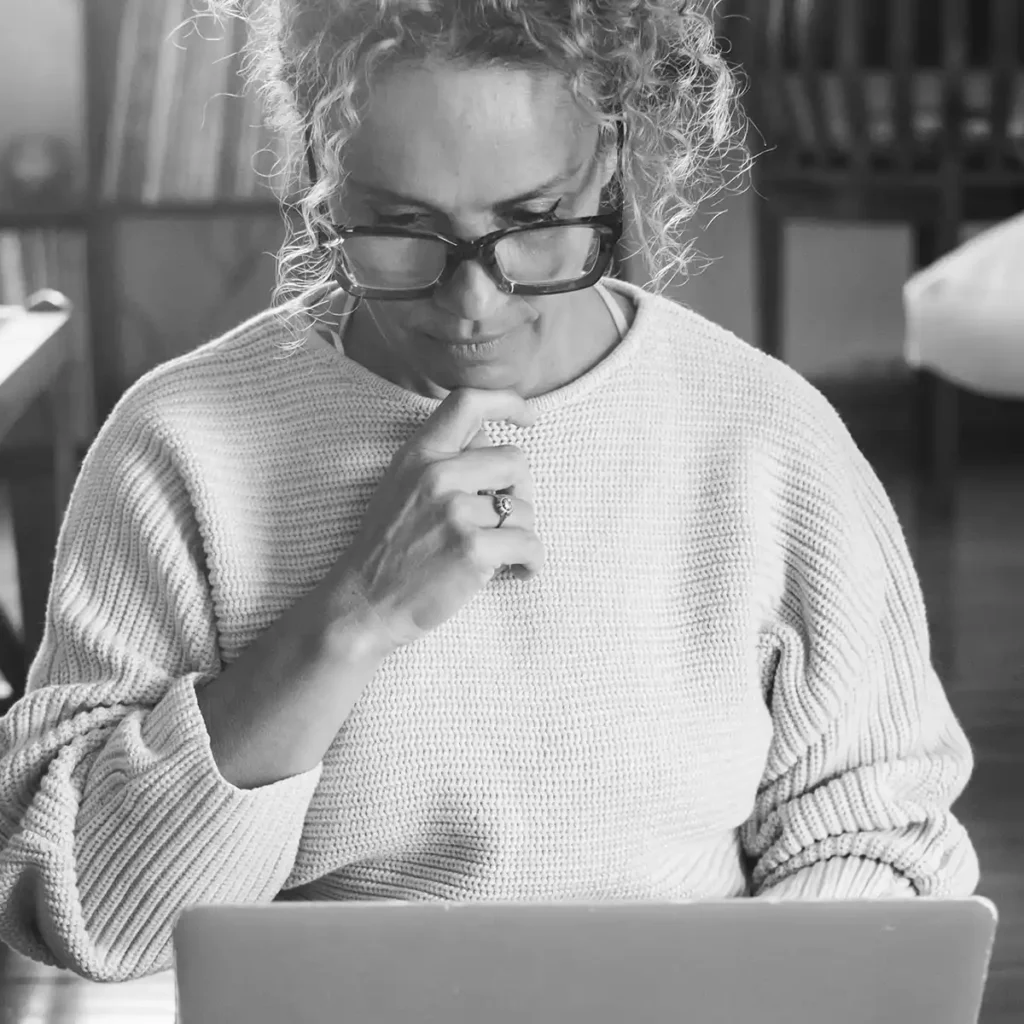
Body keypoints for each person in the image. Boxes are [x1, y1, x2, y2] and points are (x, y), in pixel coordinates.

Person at [0, 0, 978, 985]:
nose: (474, 302)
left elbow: (878, 838)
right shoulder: (178, 444)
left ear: (608, 165)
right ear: (317, 175)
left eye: (531, 224)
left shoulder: (767, 441)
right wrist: (350, 617)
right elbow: (90, 911)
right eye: (399, 228)